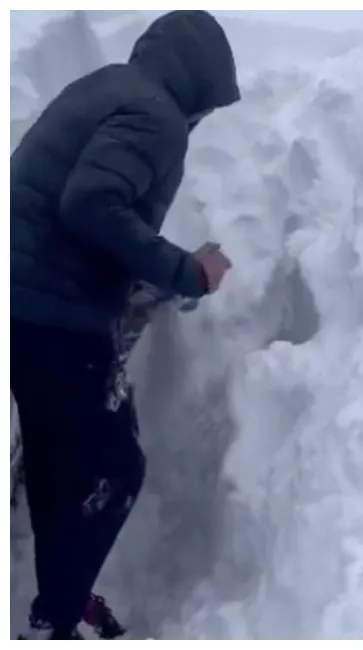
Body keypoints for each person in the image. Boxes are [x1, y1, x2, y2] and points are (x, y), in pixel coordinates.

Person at [10, 10, 240, 640]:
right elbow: (89, 203)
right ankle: (56, 620)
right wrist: (187, 271)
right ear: (197, 83)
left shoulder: (112, 87)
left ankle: (60, 598)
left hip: (26, 304)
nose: (201, 119)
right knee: (113, 470)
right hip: (52, 316)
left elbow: (78, 205)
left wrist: (143, 279)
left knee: (63, 466)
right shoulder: (156, 117)